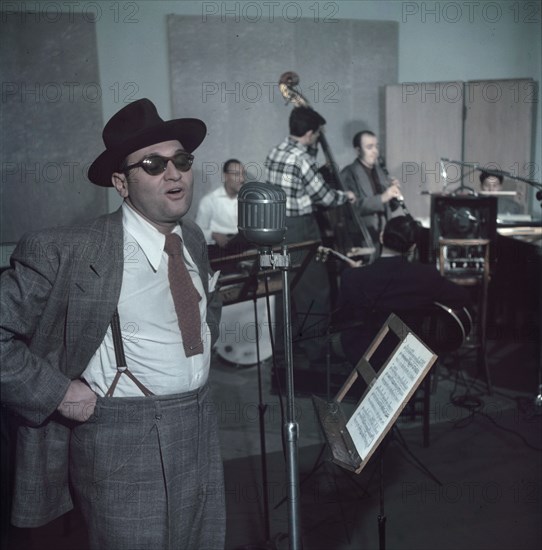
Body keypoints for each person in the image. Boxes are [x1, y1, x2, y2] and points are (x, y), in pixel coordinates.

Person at [0, 99, 225, 549]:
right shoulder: (69, 249)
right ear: (122, 183)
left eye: (181, 160)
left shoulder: (193, 238)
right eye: (153, 164)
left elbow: (203, 316)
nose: (174, 173)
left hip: (201, 425)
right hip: (124, 442)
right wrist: (58, 392)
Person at [265, 106, 356, 362]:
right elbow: (323, 197)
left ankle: (284, 351)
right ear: (308, 133)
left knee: (287, 287)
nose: (317, 138)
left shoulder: (276, 151)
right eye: (316, 134)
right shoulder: (302, 159)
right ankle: (317, 352)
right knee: (316, 290)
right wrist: (345, 195)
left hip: (277, 227)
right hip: (300, 228)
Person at [337, 215, 470, 367]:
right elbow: (462, 298)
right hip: (406, 355)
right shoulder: (425, 276)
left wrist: (360, 274)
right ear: (413, 247)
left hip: (360, 352)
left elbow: (342, 318)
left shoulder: (351, 277)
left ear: (381, 237)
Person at [340, 130, 404, 251]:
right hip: (363, 238)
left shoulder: (381, 172)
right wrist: (383, 198)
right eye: (369, 147)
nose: (375, 151)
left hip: (385, 237)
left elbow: (390, 208)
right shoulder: (348, 173)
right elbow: (352, 208)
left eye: (376, 146)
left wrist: (395, 197)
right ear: (358, 150)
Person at [196, 158, 250, 259]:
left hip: (244, 246)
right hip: (220, 249)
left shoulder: (248, 200)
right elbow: (198, 232)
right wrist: (213, 235)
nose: (242, 179)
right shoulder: (209, 200)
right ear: (225, 176)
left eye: (243, 174)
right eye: (237, 174)